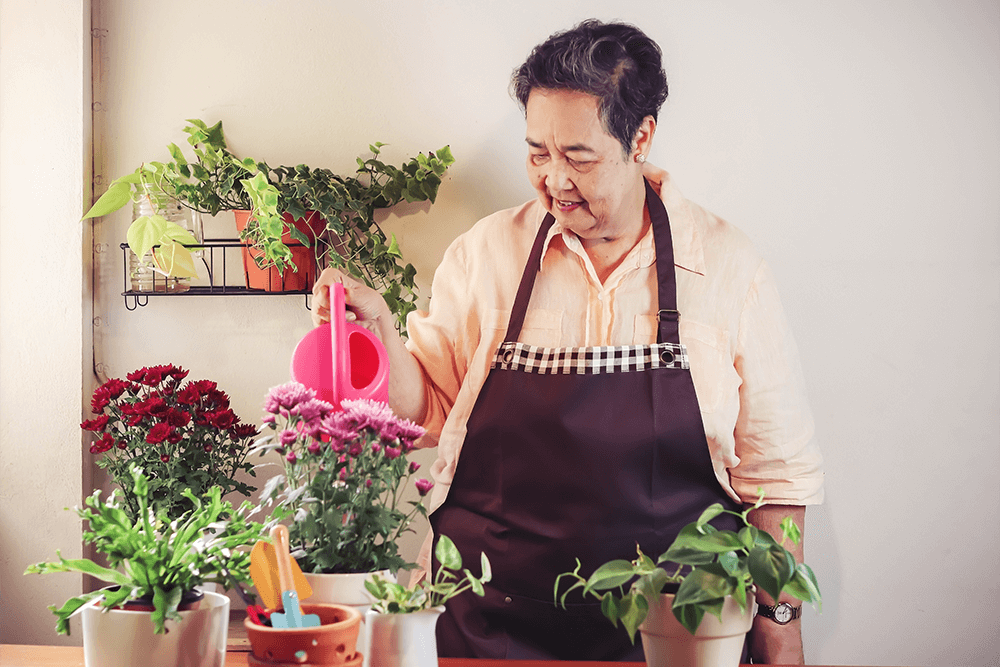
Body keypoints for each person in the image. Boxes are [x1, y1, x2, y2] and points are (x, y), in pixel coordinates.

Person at [312, 19, 823, 664]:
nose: (553, 179)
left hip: (675, 637)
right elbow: (429, 404)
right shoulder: (487, 254)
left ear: (640, 137)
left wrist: (784, 643)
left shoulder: (724, 266)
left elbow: (776, 483)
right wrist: (377, 332)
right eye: (536, 152)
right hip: (488, 630)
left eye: (577, 156)